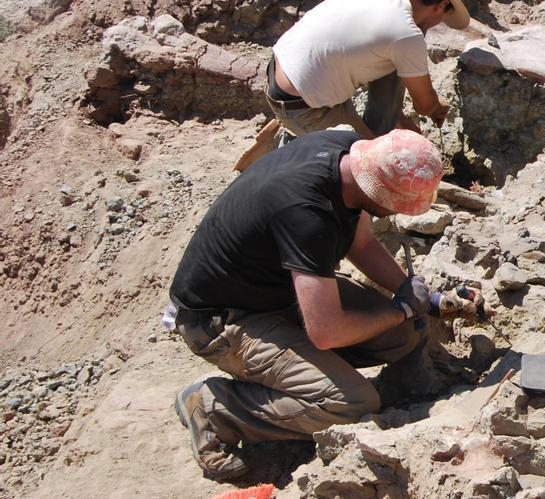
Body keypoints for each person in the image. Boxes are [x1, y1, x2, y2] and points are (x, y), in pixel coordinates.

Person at [168, 128, 445, 479]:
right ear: (376, 188)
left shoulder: (347, 154)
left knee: (401, 335)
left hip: (278, 289)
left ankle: (305, 374)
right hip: (221, 320)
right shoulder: (307, 213)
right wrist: (400, 308)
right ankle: (215, 409)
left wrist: (418, 296)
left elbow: (359, 242)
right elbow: (327, 332)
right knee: (352, 403)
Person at [265, 0, 483, 138]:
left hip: (284, 76)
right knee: (371, 171)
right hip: (304, 108)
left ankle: (377, 134)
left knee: (396, 65)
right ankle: (299, 146)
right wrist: (436, 107)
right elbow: (425, 106)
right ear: (442, 5)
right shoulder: (406, 34)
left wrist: (401, 121)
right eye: (444, 17)